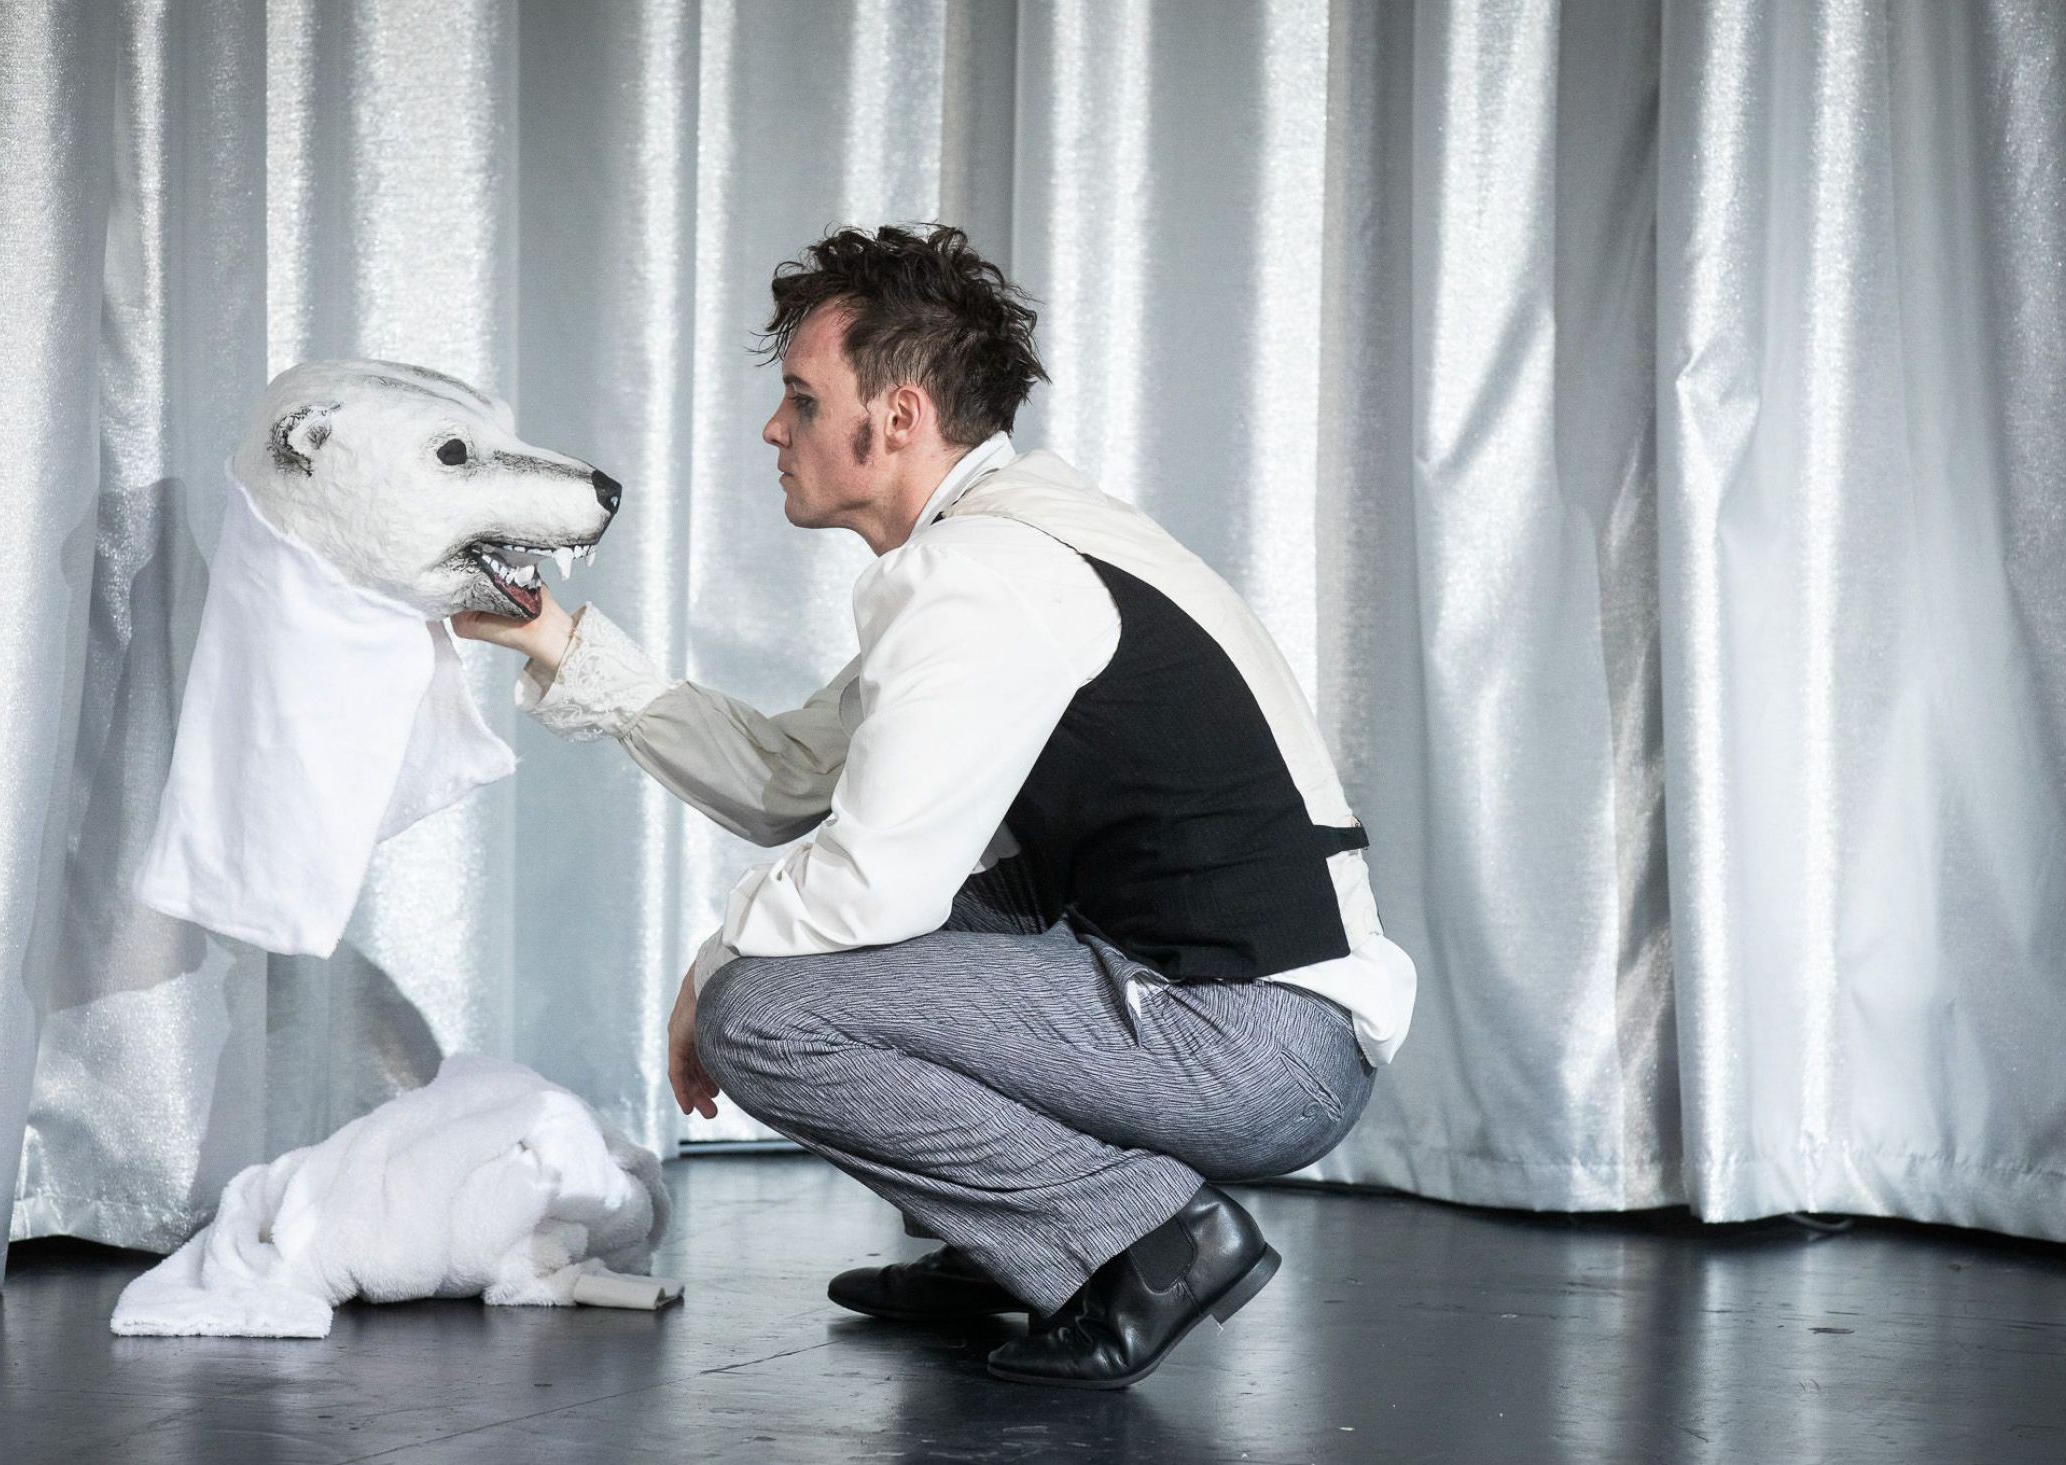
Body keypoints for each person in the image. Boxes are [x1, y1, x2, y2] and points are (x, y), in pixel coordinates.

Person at [452, 223, 1417, 1389]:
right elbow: (786, 777)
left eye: (802, 400)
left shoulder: (985, 576)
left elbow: (872, 887)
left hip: (1252, 1041)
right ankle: (1006, 1246)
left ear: (898, 417)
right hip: (1230, 1011)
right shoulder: (1003, 537)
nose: (773, 429)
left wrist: (714, 966)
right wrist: (555, 639)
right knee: (897, 923)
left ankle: (1149, 1242)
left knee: (763, 1012)